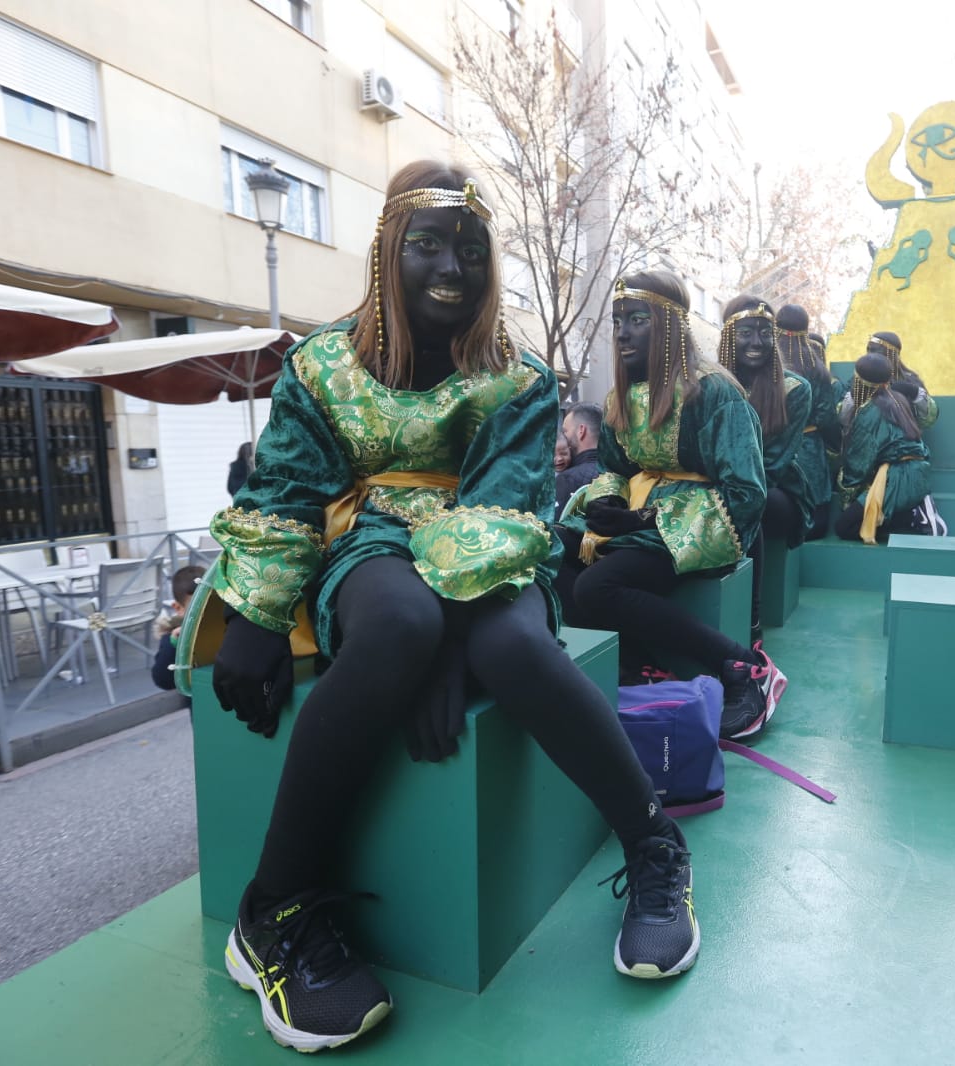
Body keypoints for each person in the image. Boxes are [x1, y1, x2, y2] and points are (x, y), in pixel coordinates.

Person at [190, 162, 700, 1053]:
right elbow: (286, 492)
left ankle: (655, 848)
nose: (450, 270)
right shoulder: (320, 365)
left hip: (486, 552)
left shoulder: (518, 376)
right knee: (395, 621)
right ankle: (271, 912)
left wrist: (452, 653)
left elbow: (502, 513)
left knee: (512, 651)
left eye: (470, 250)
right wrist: (257, 617)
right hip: (366, 545)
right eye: (428, 246)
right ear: (390, 249)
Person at [556, 271, 784, 741]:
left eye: (637, 319)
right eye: (618, 321)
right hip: (640, 521)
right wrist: (610, 503)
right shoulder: (620, 396)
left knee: (598, 586)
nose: (622, 333)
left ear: (669, 326)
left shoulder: (714, 392)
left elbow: (746, 490)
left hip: (702, 525)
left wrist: (645, 518)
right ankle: (636, 670)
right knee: (553, 550)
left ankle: (741, 666)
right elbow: (614, 469)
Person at [717, 295, 818, 644]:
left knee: (751, 504)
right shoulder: (709, 383)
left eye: (765, 333)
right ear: (728, 334)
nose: (757, 343)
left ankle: (751, 620)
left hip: (777, 492)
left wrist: (726, 490)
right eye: (746, 332)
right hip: (717, 486)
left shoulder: (795, 389)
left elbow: (772, 465)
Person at [835, 352, 939, 542]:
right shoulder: (898, 398)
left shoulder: (868, 412)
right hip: (919, 472)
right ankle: (913, 512)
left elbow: (858, 465)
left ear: (860, 382)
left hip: (896, 479)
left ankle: (914, 516)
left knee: (844, 527)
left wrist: (847, 496)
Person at [775, 305, 837, 539]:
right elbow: (827, 415)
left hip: (770, 446)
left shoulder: (764, 362)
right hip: (808, 445)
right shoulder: (817, 368)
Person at [838, 331, 935, 430]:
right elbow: (843, 419)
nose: (871, 355)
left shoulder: (909, 380)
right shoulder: (859, 380)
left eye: (876, 351)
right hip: (866, 438)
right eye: (869, 350)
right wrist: (854, 396)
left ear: (891, 355)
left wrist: (914, 392)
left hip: (901, 439)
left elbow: (928, 419)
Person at [152, 565, 205, 695]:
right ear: (179, 608)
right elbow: (164, 681)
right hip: (200, 706)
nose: (205, 612)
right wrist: (174, 645)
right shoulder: (173, 638)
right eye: (197, 607)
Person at [554, 401, 602, 519]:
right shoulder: (620, 473)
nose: (563, 438)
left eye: (565, 431)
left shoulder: (567, 479)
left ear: (581, 431)